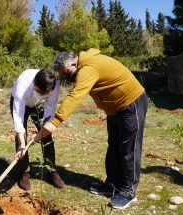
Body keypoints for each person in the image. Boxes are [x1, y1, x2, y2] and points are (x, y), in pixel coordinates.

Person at [35, 49, 147, 209]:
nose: (66, 76)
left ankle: (129, 192)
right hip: (115, 108)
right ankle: (113, 185)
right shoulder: (85, 65)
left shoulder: (88, 68)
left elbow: (76, 95)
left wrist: (55, 121)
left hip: (131, 104)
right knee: (114, 146)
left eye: (65, 72)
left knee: (129, 149)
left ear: (73, 63)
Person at [10, 68, 65, 191]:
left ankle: (51, 171)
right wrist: (22, 145)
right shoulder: (22, 85)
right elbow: (18, 120)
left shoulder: (54, 86)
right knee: (21, 138)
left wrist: (41, 133)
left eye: (46, 93)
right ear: (34, 82)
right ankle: (24, 173)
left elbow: (49, 110)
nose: (43, 95)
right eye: (39, 92)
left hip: (39, 105)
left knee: (47, 134)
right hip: (21, 103)